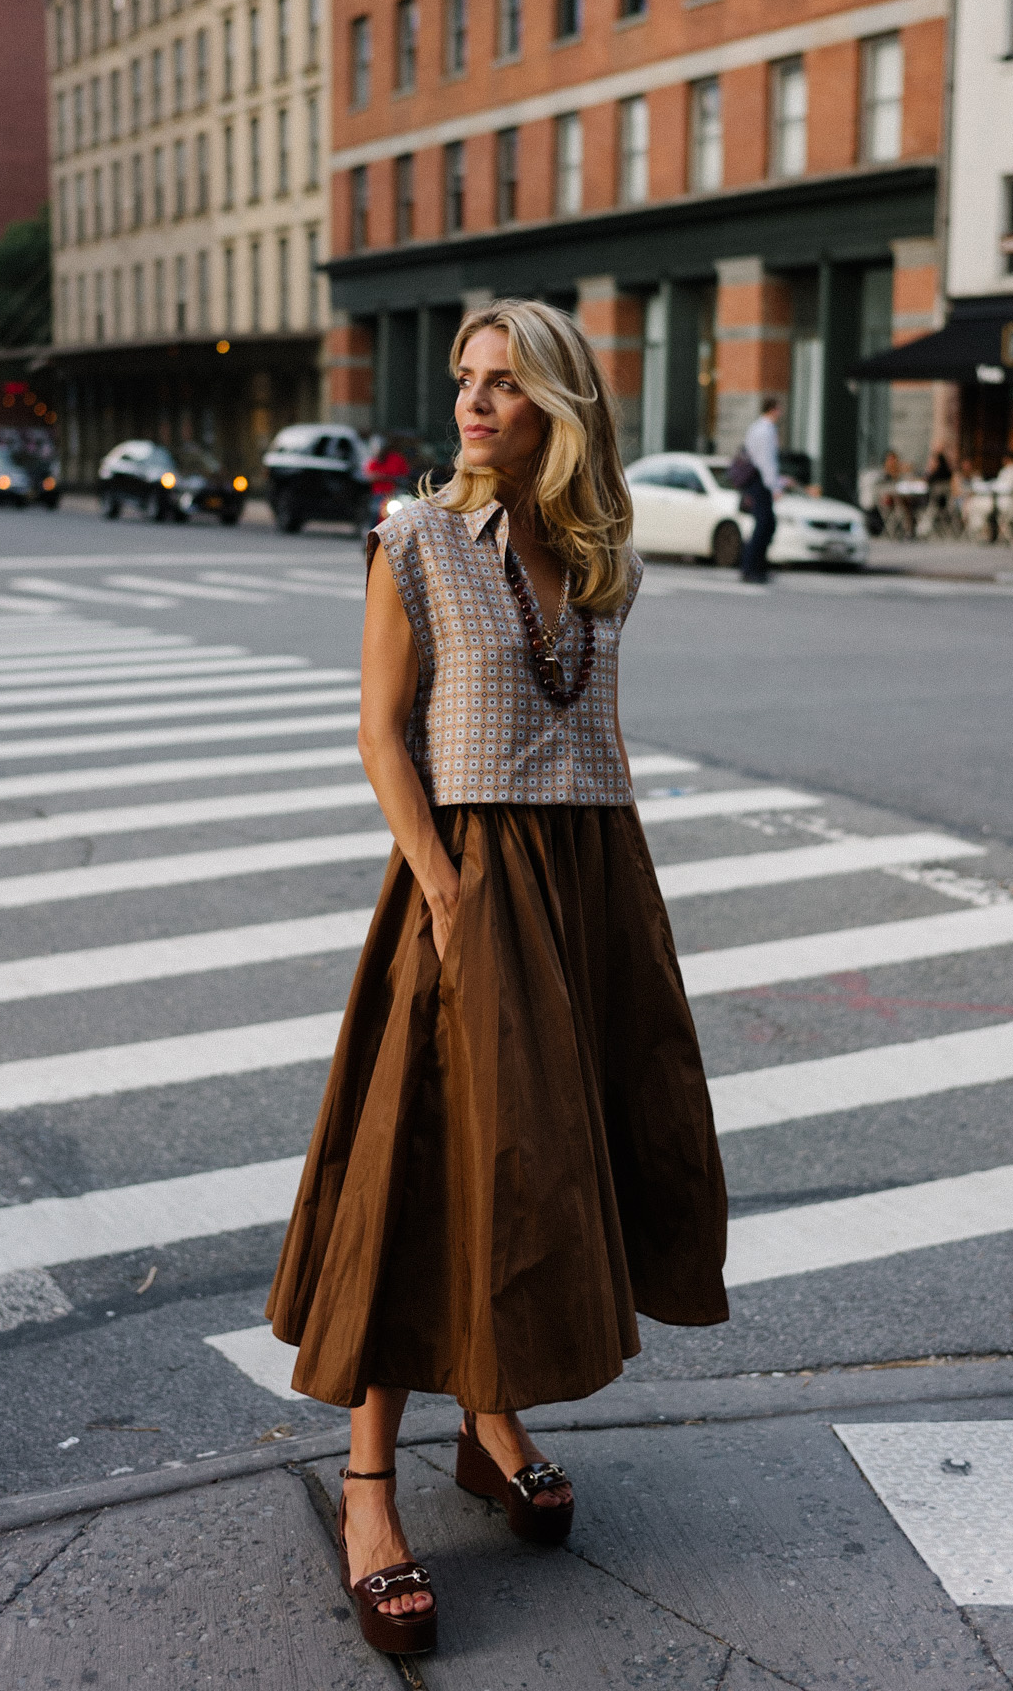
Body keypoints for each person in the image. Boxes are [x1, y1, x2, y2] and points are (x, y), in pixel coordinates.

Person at [267, 299, 729, 1659]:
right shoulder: (413, 541)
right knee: (425, 1173)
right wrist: (450, 890)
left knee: (547, 1170)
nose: (473, 404)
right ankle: (368, 1488)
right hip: (466, 883)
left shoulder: (596, 559)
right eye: (466, 381)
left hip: (589, 885)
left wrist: (621, 910)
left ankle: (490, 1422)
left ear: (561, 410)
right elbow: (378, 734)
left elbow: (607, 733)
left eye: (504, 386)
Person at [740, 396, 785, 582]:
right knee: (764, 525)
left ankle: (756, 566)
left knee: (765, 525)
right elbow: (766, 462)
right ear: (773, 409)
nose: (781, 413)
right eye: (779, 409)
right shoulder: (766, 431)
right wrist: (774, 486)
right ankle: (752, 567)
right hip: (761, 482)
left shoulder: (757, 428)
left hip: (757, 481)